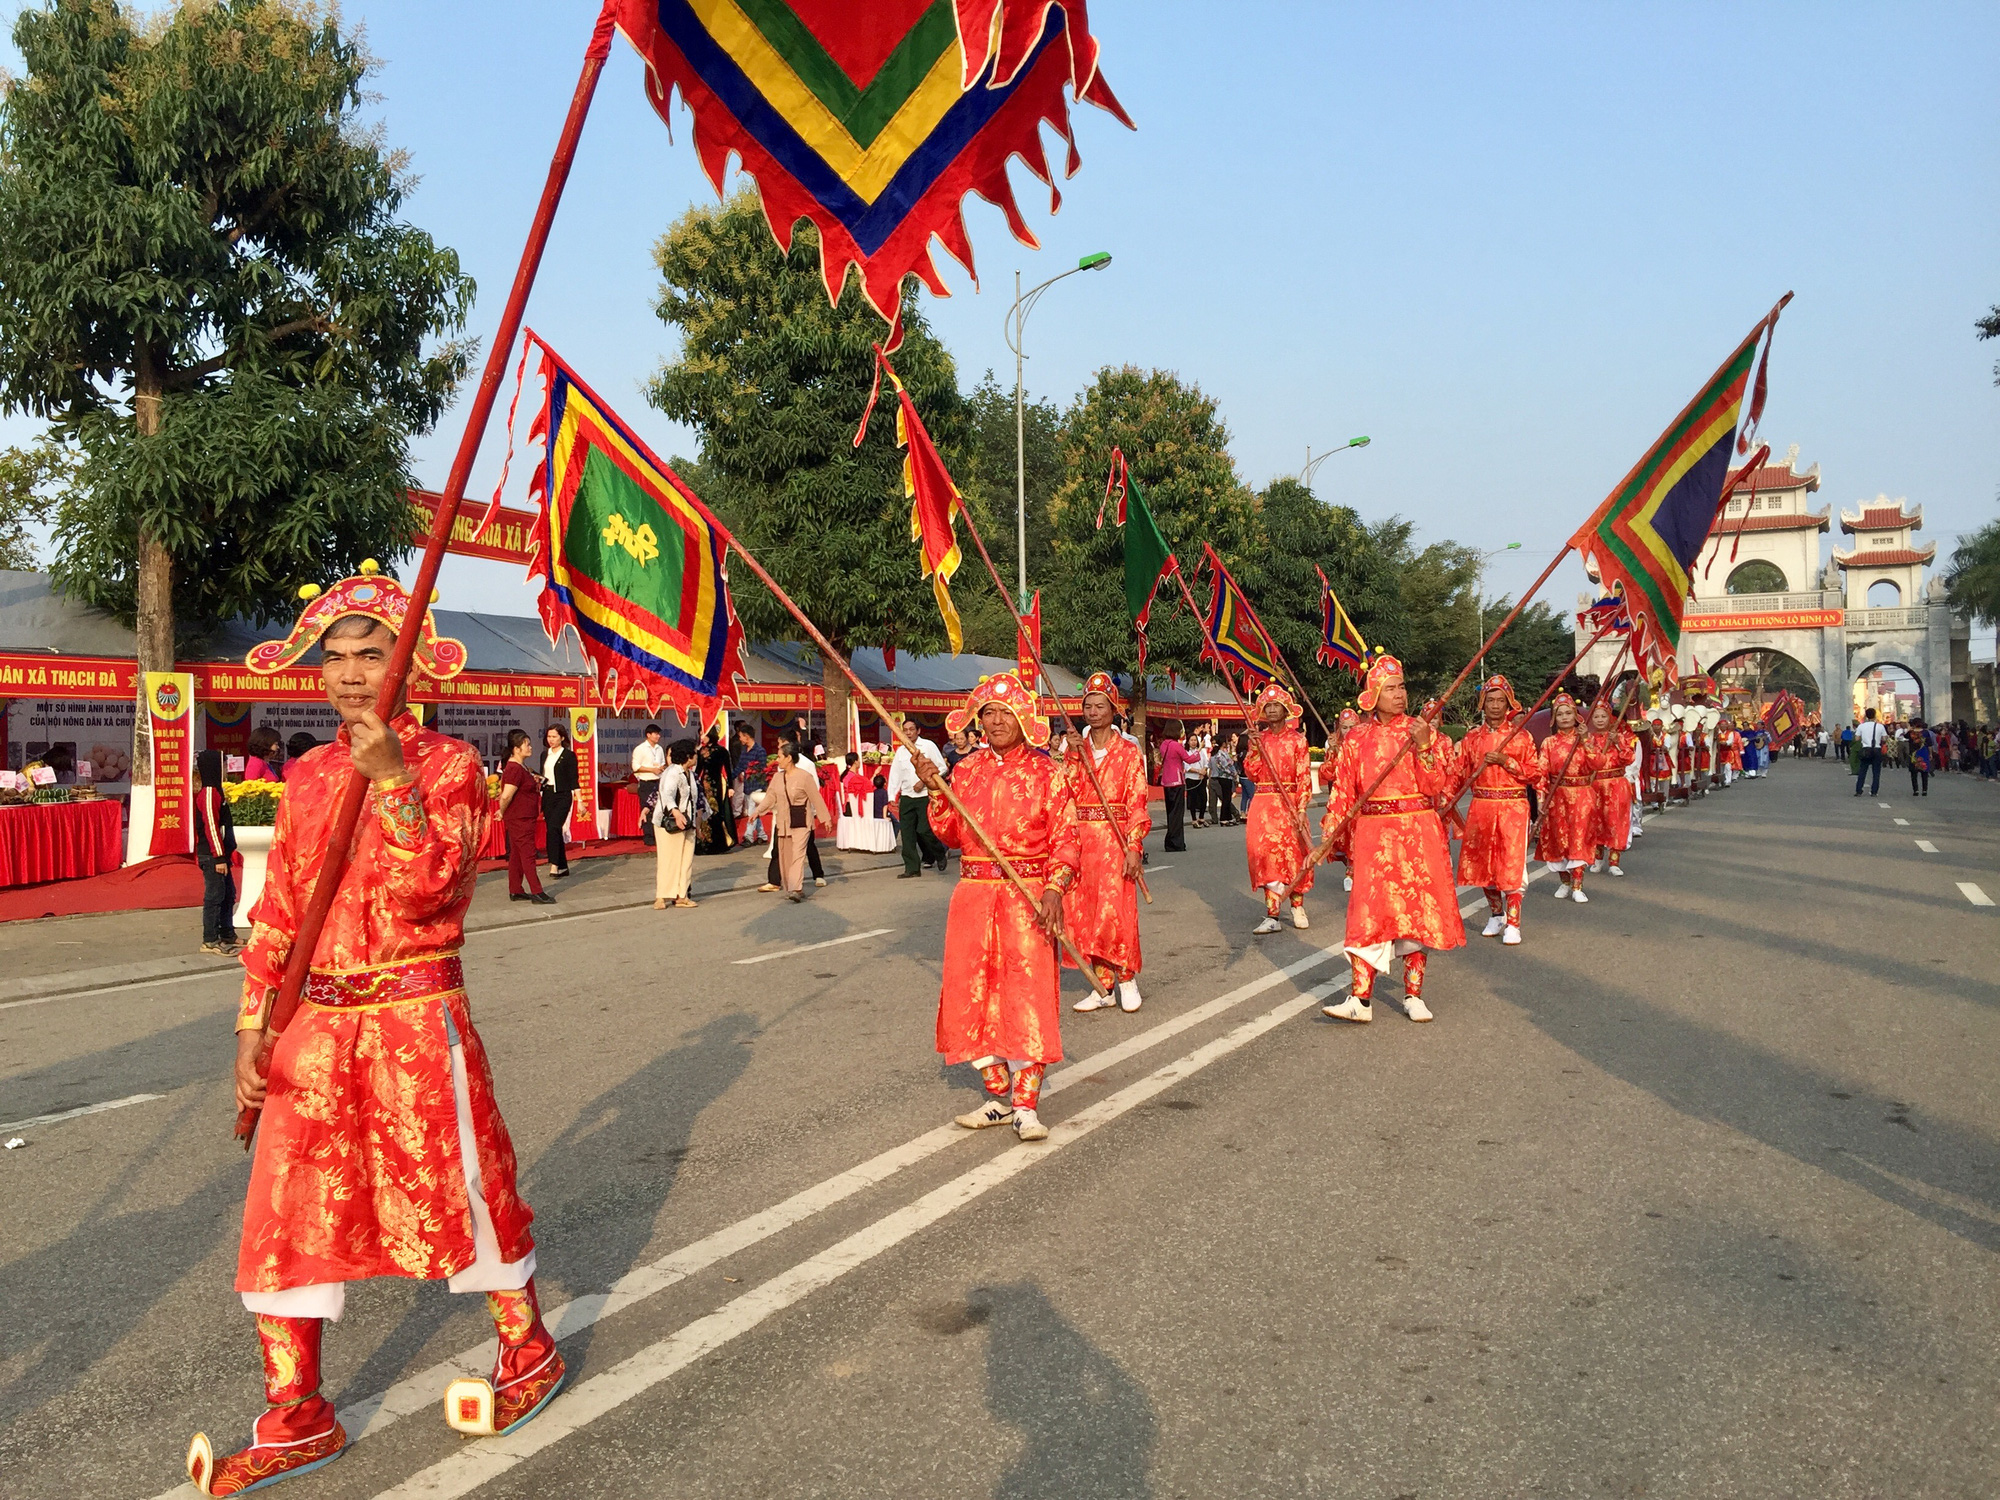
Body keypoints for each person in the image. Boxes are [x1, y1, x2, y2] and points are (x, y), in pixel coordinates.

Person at [189, 564, 561, 1494]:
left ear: (413, 664)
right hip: (315, 1025)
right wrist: (252, 1030)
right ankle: (296, 1414)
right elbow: (277, 916)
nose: (354, 673)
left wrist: (393, 780)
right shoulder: (308, 776)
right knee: (285, 1212)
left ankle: (528, 1354)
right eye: (337, 656)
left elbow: (432, 891)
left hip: (413, 1017)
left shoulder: (454, 768)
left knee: (462, 1189)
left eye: (374, 653)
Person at [923, 673, 1080, 1142]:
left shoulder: (1048, 772)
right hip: (973, 895)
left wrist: (1054, 889)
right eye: (987, 713)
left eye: (1004, 713)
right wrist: (935, 789)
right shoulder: (966, 769)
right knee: (971, 993)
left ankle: (1025, 1105)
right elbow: (949, 833)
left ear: (1024, 720)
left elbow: (1066, 840)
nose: (994, 721)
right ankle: (996, 1095)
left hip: (1027, 898)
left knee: (1025, 995)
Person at [1320, 655, 1464, 1023]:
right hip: (1372, 834)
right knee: (1367, 913)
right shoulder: (1357, 737)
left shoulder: (1420, 731)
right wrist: (1330, 835)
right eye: (1391, 688)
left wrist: (1424, 746)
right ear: (1373, 695)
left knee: (1415, 914)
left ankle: (1413, 994)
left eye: (1402, 687)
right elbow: (1343, 793)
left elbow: (1435, 787)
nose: (1400, 694)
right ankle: (1360, 1000)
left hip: (1417, 831)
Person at [1063, 673, 1152, 1014]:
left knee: (1115, 912)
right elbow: (1066, 793)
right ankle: (1102, 985)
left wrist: (1134, 847)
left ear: (1113, 710)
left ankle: (1126, 977)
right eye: (1088, 706)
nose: (1094, 712)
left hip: (1115, 841)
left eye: (1100, 706)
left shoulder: (1129, 752)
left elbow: (1137, 802)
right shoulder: (1076, 749)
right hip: (1083, 840)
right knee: (1085, 913)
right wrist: (1071, 756)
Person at [1452, 675, 1540, 946]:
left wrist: (1507, 762)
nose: (1495, 705)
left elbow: (1535, 773)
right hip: (1481, 806)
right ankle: (1495, 913)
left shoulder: (1521, 736)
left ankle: (1513, 922)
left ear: (1508, 704)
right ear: (1483, 703)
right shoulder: (1471, 739)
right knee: (1484, 864)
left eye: (1500, 700)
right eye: (1490, 700)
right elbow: (1458, 773)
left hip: (1513, 806)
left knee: (1511, 864)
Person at [1241, 684, 1315, 933]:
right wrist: (1253, 748)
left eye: (1276, 706)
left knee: (1293, 855)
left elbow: (1304, 777)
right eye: (1268, 706)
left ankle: (1296, 906)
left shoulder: (1298, 740)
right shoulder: (1259, 739)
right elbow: (1251, 774)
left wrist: (1301, 807)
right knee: (1264, 855)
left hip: (1290, 802)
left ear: (1286, 710)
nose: (1272, 710)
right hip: (1263, 802)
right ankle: (1272, 914)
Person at [1538, 693, 1598, 902]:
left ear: (1576, 716)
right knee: (1558, 841)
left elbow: (1597, 764)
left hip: (1582, 795)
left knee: (1578, 839)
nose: (1564, 717)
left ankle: (1578, 885)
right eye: (1560, 713)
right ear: (1554, 718)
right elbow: (1541, 774)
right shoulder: (1548, 743)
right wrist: (1540, 801)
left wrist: (1587, 741)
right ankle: (1564, 881)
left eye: (1568, 713)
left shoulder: (1584, 740)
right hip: (1557, 797)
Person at [764, 740, 832, 902]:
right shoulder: (777, 778)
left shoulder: (805, 775)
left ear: (789, 758)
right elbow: (769, 797)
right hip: (784, 823)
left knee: (798, 855)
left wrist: (825, 818)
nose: (777, 760)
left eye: (780, 756)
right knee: (786, 856)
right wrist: (757, 812)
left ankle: (796, 888)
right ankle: (793, 886)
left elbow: (816, 798)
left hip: (802, 820)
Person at [496, 730, 554, 906]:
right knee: (527, 854)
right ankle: (537, 891)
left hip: (523, 816)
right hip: (520, 817)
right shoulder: (514, 768)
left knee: (515, 854)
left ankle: (515, 889)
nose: (530, 747)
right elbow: (506, 795)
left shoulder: (520, 767)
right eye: (526, 744)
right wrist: (501, 811)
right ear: (516, 748)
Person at [887, 717, 948, 878]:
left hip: (924, 795)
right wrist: (892, 795)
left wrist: (924, 781)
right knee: (907, 835)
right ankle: (912, 868)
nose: (908, 733)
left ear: (918, 731)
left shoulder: (928, 746)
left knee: (924, 830)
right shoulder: (900, 751)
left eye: (911, 729)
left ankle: (939, 852)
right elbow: (895, 775)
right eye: (905, 730)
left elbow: (942, 768)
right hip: (907, 796)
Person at [1586, 700, 1638, 877]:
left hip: (1616, 784)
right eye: (1596, 716)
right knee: (1596, 823)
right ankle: (1597, 859)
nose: (1600, 720)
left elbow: (1629, 758)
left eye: (1603, 716)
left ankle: (1614, 861)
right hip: (1595, 784)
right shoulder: (1588, 739)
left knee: (1616, 822)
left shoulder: (1619, 737)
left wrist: (1617, 743)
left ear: (1610, 718)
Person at [195, 749, 238, 954]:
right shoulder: (210, 792)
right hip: (213, 856)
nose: (225, 770)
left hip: (221, 855)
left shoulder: (217, 791)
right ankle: (210, 940)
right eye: (222, 765)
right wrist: (219, 857)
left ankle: (227, 933)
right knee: (214, 896)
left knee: (228, 894)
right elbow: (211, 826)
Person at [652, 739, 699, 908]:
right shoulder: (672, 772)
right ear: (688, 756)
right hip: (670, 822)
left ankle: (681, 895)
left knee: (686, 861)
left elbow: (694, 799)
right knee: (668, 860)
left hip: (688, 822)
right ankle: (661, 896)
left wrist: (699, 820)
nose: (696, 756)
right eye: (694, 753)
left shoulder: (690, 774)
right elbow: (667, 794)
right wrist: (676, 812)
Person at [539, 723, 577, 878]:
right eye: (549, 736)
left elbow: (574, 780)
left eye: (554, 736)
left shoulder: (568, 755)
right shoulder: (544, 754)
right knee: (553, 829)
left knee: (554, 827)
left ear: (562, 737)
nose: (551, 740)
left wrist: (580, 801)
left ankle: (554, 864)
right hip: (548, 794)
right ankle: (563, 865)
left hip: (562, 795)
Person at [694, 727, 735, 855]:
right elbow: (698, 770)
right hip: (703, 785)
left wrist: (731, 787)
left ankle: (718, 844)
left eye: (703, 734)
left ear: (710, 734)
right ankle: (704, 843)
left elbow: (728, 770)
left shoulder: (721, 751)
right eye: (700, 734)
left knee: (715, 812)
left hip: (716, 785)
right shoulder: (701, 750)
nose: (701, 736)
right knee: (703, 813)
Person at [631, 724, 666, 846]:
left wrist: (661, 768)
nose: (658, 736)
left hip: (658, 781)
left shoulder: (660, 749)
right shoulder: (640, 749)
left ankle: (658, 835)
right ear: (648, 735)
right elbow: (635, 767)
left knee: (659, 809)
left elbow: (662, 763)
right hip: (646, 782)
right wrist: (652, 770)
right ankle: (649, 836)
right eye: (656, 734)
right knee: (647, 810)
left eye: (659, 734)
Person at [734, 725, 769, 844]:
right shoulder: (744, 750)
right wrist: (730, 777)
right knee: (753, 812)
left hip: (757, 786)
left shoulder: (760, 751)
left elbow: (762, 770)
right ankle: (762, 835)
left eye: (741, 736)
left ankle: (748, 836)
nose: (740, 739)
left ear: (746, 736)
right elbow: (740, 766)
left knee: (751, 811)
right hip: (747, 786)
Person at [1156, 727, 1188, 852]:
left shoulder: (1164, 744)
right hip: (1177, 780)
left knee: (1170, 812)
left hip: (1166, 780)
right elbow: (1189, 758)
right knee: (1177, 813)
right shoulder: (1176, 745)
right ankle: (1176, 842)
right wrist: (1199, 750)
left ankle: (1170, 841)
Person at [1853, 708, 1888, 797]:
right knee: (1876, 772)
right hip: (1876, 750)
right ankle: (1874, 791)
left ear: (1866, 716)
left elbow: (1856, 738)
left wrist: (1864, 738)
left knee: (1862, 771)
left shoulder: (1861, 726)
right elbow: (1884, 738)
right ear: (1875, 715)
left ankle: (1859, 790)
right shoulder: (1880, 726)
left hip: (1865, 750)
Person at [1209, 732, 1239, 826]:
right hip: (1224, 777)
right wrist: (1233, 773)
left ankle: (1228, 817)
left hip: (1228, 777)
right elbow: (1224, 767)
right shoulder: (1219, 755)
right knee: (1225, 799)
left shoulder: (1224, 753)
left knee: (1227, 798)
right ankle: (1223, 818)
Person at [1907, 717, 1932, 796]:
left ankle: (1916, 790)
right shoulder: (1926, 732)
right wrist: (1930, 753)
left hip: (1914, 754)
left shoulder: (1911, 733)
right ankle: (1924, 790)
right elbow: (1930, 744)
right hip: (1924, 753)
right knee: (1924, 773)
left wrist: (1909, 728)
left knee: (1914, 774)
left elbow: (1904, 736)